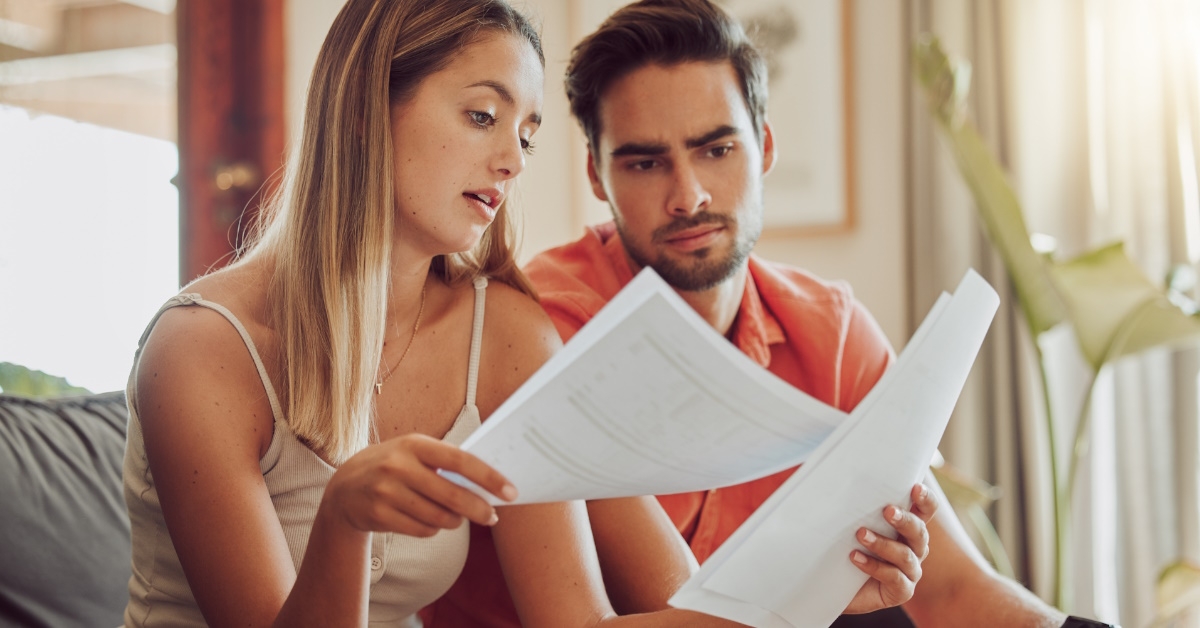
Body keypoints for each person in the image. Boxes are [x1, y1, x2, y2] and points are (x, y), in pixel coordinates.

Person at [121, 0, 935, 626]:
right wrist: (342, 523)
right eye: (483, 116)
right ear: (367, 108)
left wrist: (818, 593)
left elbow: (580, 623)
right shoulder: (202, 351)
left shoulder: (506, 335)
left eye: (528, 134)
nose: (512, 160)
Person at [427, 0, 1074, 627]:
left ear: (763, 147)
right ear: (597, 176)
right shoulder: (547, 327)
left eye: (717, 150)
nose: (688, 196)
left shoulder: (832, 333)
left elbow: (956, 591)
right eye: (646, 163)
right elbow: (673, 599)